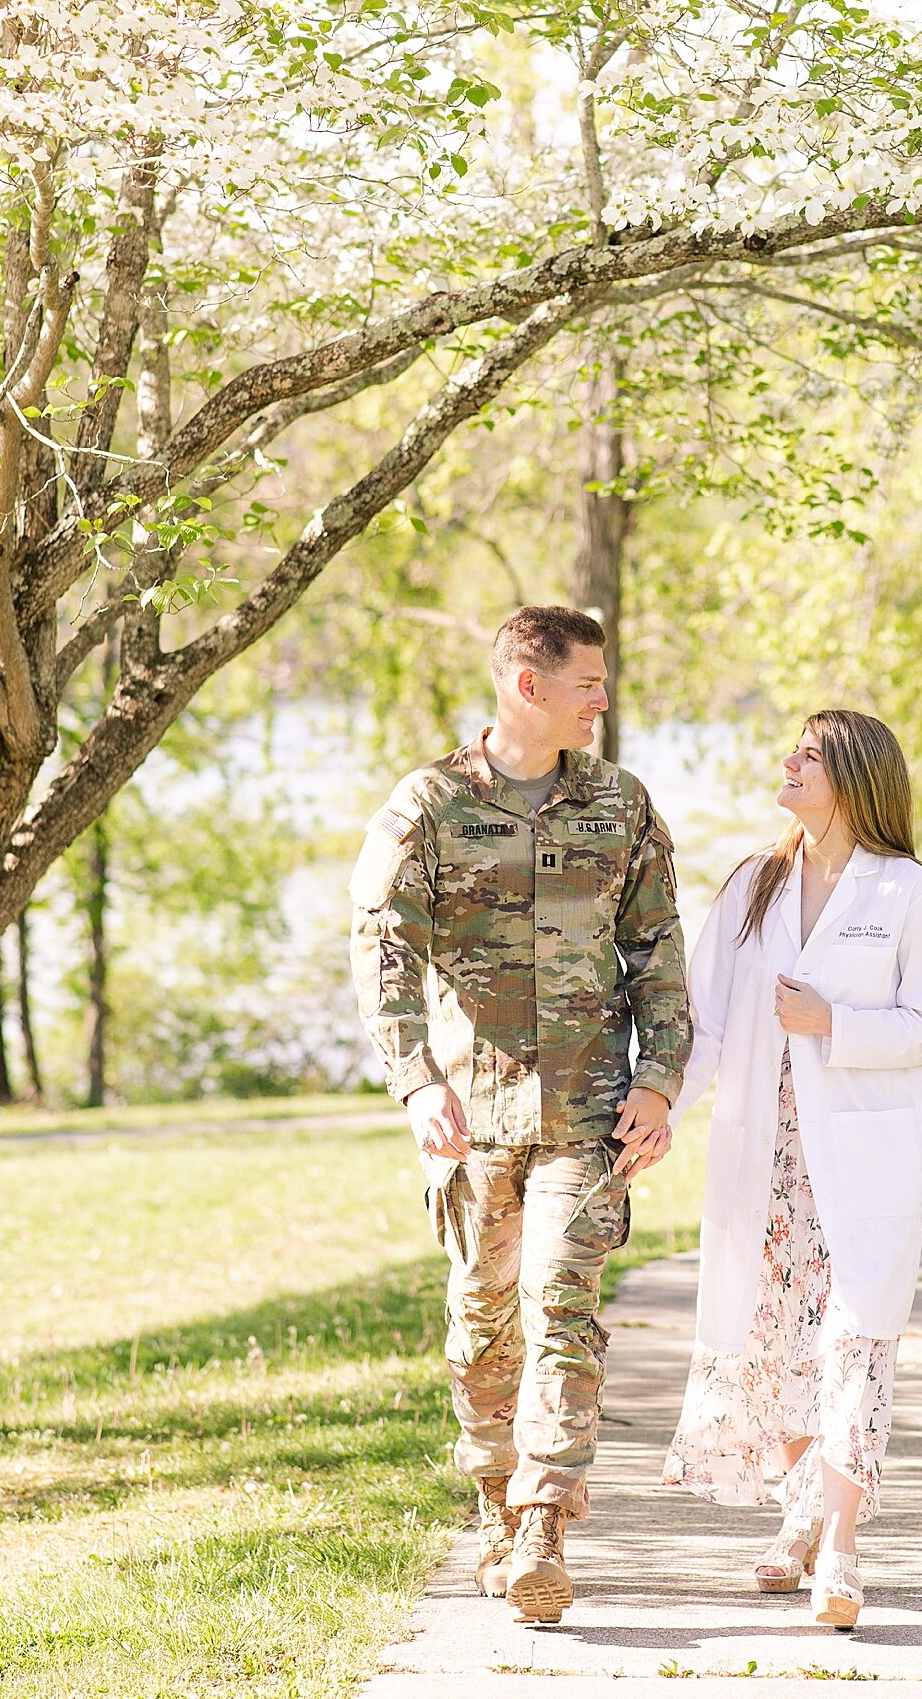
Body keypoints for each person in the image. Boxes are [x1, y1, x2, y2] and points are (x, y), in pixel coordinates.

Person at [349, 604, 691, 1625]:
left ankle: (544, 1517)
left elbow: (662, 954)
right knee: (479, 1327)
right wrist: (416, 1081)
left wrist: (661, 1080)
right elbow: (382, 953)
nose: (604, 698)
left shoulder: (622, 805)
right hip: (472, 1117)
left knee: (560, 1299)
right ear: (525, 687)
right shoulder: (431, 804)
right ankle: (497, 1497)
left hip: (590, 1115)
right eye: (588, 681)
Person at [661, 709, 922, 1630]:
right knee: (774, 1341)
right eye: (792, 748)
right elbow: (703, 1022)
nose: (787, 763)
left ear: (855, 780)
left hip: (863, 1155)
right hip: (768, 1154)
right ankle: (798, 1510)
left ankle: (840, 1549)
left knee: (854, 1343)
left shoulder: (904, 892)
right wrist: (661, 1106)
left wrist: (836, 1024)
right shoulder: (754, 884)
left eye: (810, 756)